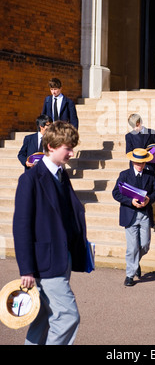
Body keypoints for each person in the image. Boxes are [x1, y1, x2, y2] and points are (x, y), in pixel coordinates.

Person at [13, 121, 87, 345]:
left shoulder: (62, 176)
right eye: (68, 147)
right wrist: (26, 268)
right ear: (52, 146)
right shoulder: (30, 179)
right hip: (44, 262)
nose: (72, 153)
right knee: (67, 317)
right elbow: (21, 226)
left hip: (62, 257)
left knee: (44, 317)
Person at [112, 148, 155, 286]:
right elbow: (116, 193)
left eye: (142, 162)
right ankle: (130, 275)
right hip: (130, 214)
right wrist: (130, 201)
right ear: (132, 161)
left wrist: (150, 198)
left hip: (145, 214)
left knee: (145, 245)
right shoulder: (124, 175)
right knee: (132, 247)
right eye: (137, 162)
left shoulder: (150, 175)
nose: (140, 165)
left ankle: (135, 261)